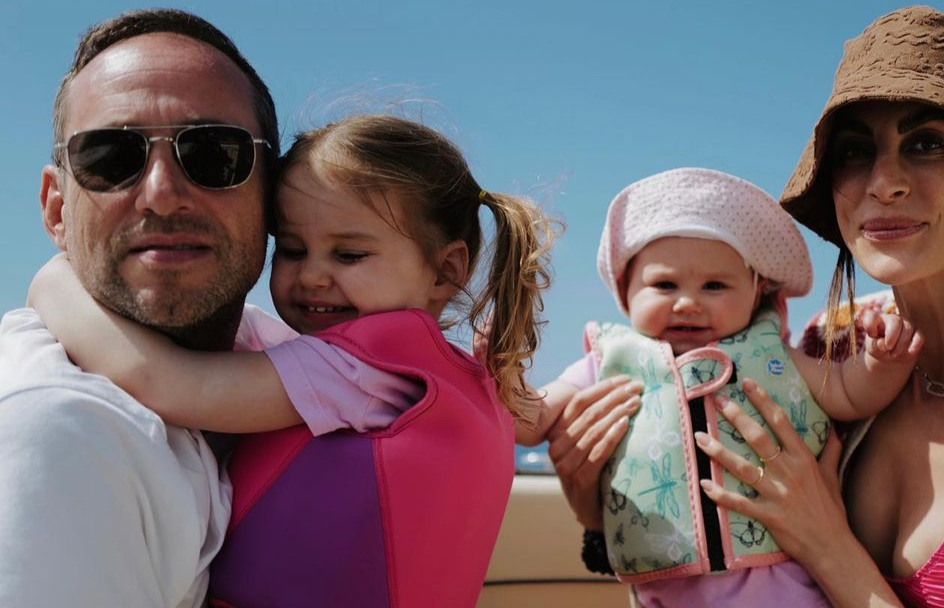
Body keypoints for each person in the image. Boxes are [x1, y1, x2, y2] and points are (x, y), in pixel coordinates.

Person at [30, 114, 557, 608]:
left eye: (349, 255)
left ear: (445, 272)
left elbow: (164, 382)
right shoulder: (443, 375)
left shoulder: (355, 371)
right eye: (293, 249)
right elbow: (529, 417)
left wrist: (54, 283)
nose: (312, 277)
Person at [691, 7, 944, 608]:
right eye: (854, 150)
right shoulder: (823, 347)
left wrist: (827, 544)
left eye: (927, 144)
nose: (883, 182)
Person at [535, 167, 921, 606]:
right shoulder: (608, 362)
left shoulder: (774, 356)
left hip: (786, 592)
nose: (688, 302)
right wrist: (498, 377)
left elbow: (851, 394)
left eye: (715, 285)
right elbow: (536, 414)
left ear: (757, 292)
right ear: (627, 292)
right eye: (664, 284)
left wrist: (880, 361)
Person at [0, 9, 280, 607]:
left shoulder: (271, 351)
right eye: (110, 156)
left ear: (274, 196)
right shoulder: (58, 431)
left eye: (213, 154)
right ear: (56, 210)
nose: (161, 193)